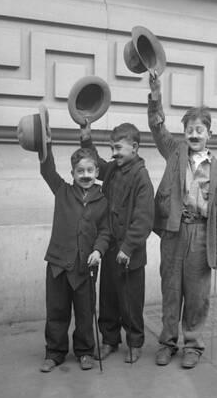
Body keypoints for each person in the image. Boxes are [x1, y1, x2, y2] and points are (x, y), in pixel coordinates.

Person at [148, 72, 217, 369]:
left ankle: (193, 344)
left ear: (210, 134)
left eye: (199, 130)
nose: (194, 135)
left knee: (196, 294)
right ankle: (168, 342)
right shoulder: (175, 152)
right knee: (171, 289)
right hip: (173, 231)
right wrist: (155, 94)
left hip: (200, 235)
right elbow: (157, 127)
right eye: (189, 130)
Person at [80, 122, 154, 363]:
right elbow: (97, 165)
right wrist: (86, 140)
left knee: (131, 301)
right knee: (109, 299)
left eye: (118, 147)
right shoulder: (112, 169)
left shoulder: (142, 177)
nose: (113, 153)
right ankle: (109, 339)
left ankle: (135, 342)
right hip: (110, 250)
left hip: (129, 255)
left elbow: (144, 219)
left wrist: (128, 247)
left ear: (134, 147)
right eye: (111, 147)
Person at [39, 137, 110, 372]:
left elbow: (105, 232)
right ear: (72, 173)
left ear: (97, 171)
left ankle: (85, 351)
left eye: (90, 170)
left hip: (85, 268)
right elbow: (47, 169)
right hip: (58, 265)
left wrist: (99, 251)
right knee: (57, 311)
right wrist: (46, 142)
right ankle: (55, 352)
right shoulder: (62, 191)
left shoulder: (102, 200)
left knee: (84, 312)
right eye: (80, 171)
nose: (86, 175)